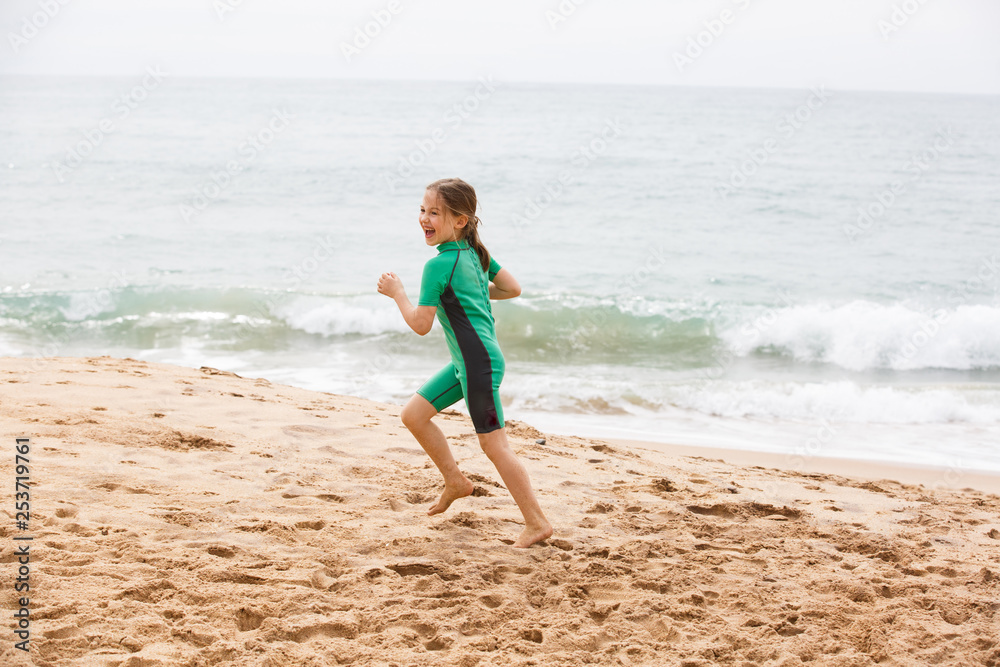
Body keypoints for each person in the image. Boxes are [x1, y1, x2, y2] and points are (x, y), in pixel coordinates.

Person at [377, 177, 553, 548]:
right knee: (413, 415)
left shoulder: (438, 266)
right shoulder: (476, 254)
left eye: (434, 212)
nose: (425, 218)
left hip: (477, 365)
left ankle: (536, 522)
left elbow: (421, 325)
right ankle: (455, 481)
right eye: (422, 210)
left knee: (495, 446)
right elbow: (512, 288)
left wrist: (398, 294)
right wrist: (467, 293)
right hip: (471, 363)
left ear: (459, 220)